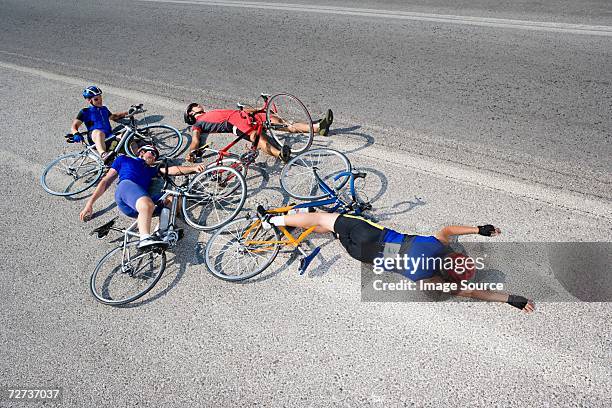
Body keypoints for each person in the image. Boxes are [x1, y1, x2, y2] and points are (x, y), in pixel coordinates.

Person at [258, 209, 535, 313]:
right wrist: (510, 299)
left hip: (367, 232)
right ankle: (300, 223)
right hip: (362, 254)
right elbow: (475, 292)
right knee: (333, 231)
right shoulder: (432, 281)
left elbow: (449, 230)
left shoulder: (436, 243)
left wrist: (479, 228)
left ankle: (275, 219)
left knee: (322, 218)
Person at [79, 145, 206, 249]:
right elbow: (105, 181)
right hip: (126, 189)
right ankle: (144, 238)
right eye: (152, 153)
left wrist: (193, 168)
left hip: (141, 203)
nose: (154, 157)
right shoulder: (124, 159)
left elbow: (172, 170)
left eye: (156, 156)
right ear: (142, 152)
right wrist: (89, 204)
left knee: (173, 198)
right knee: (147, 203)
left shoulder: (151, 169)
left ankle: (160, 232)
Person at [183, 103, 334, 163]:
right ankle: (279, 154)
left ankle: (318, 127)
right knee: (257, 136)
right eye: (194, 106)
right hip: (233, 123)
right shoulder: (198, 123)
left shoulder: (212, 112)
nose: (198, 105)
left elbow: (239, 111)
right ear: (191, 114)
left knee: (279, 122)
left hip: (243, 115)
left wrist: (260, 109)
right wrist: (192, 152)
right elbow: (195, 140)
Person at [67, 86, 129, 164]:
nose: (100, 101)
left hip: (109, 138)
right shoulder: (85, 112)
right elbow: (74, 126)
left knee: (126, 136)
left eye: (100, 98)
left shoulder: (104, 109)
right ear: (89, 100)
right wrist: (76, 133)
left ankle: (137, 158)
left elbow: (114, 117)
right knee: (99, 133)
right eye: (96, 99)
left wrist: (128, 113)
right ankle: (103, 155)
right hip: (95, 137)